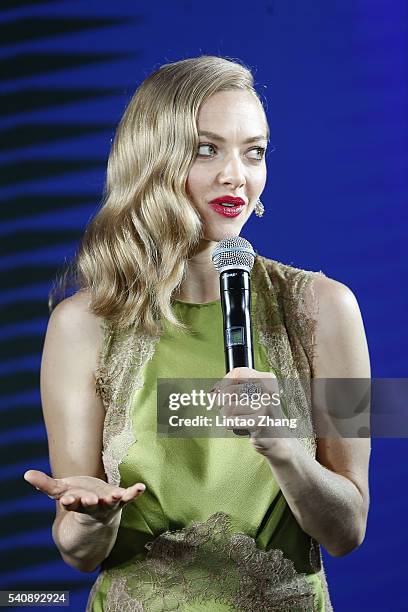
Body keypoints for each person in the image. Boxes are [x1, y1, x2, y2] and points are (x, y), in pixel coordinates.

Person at [24, 55, 371, 611]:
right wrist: (94, 518)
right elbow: (77, 549)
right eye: (206, 149)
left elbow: (349, 529)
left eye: (253, 151)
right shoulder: (80, 325)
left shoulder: (331, 309)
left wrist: (284, 449)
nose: (236, 174)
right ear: (151, 157)